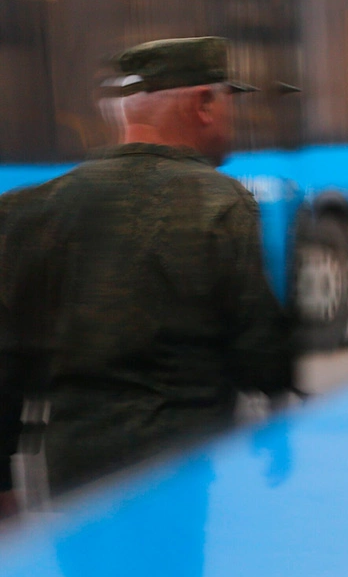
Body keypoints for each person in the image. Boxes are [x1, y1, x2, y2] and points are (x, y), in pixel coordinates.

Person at [0, 36, 294, 510]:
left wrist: (2, 479)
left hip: (74, 477)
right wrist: (279, 422)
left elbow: (7, 354)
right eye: (228, 101)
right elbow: (259, 347)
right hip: (178, 474)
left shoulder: (38, 210)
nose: (233, 117)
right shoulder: (221, 205)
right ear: (203, 104)